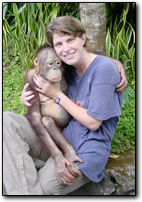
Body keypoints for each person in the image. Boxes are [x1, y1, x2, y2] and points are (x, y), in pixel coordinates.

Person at [3, 16, 127, 195]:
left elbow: (93, 122)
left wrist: (57, 95)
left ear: (82, 39)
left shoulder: (104, 70)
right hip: (61, 139)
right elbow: (39, 70)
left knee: (38, 190)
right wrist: (28, 94)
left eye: (70, 40)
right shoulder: (66, 67)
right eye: (59, 44)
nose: (65, 48)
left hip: (85, 151)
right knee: (6, 120)